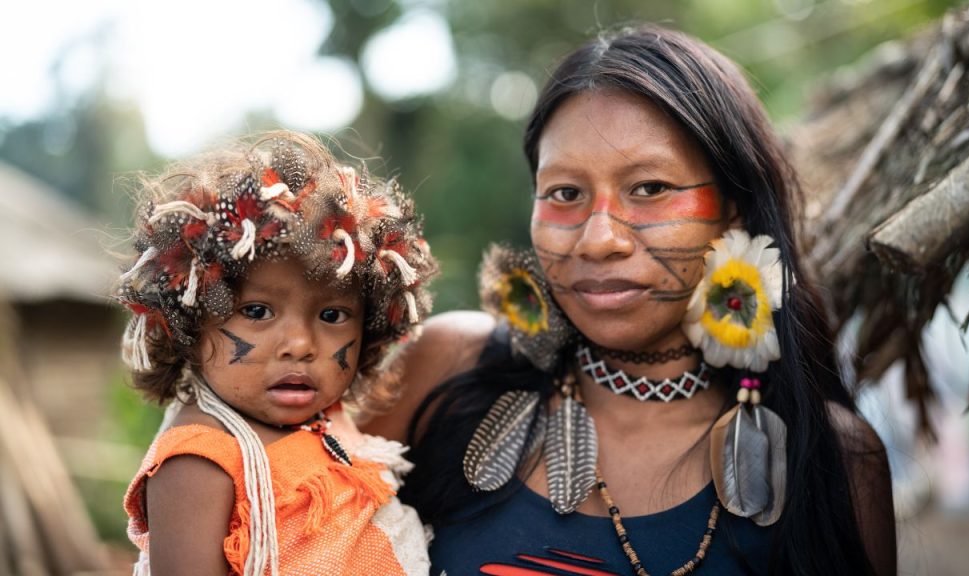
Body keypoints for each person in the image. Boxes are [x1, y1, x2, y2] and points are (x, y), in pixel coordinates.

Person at [364, 24, 897, 576]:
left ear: (734, 207)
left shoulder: (836, 461)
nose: (599, 240)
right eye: (565, 194)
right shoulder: (449, 366)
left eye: (649, 189)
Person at [116, 131, 436, 575]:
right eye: (258, 310)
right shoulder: (199, 462)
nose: (300, 346)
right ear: (189, 324)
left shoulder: (328, 417)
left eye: (332, 315)